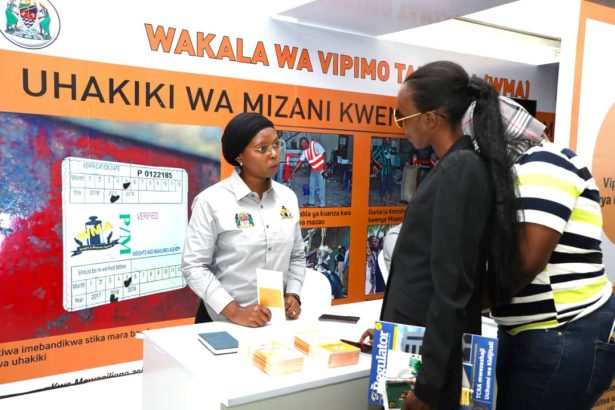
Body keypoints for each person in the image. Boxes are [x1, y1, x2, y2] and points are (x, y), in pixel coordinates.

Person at [361, 61, 520, 410]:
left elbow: (452, 287)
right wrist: (391, 330)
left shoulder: (461, 169)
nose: (401, 126)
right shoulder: (450, 167)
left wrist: (428, 386)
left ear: (430, 119)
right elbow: (420, 273)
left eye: (403, 117)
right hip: (412, 343)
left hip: (429, 364)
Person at [486, 134, 615, 407]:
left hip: (562, 329)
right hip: (533, 332)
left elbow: (526, 263)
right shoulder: (512, 173)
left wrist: (465, 305)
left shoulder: (545, 162)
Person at [182, 112, 305, 327]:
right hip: (222, 322)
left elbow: (297, 256)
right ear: (239, 156)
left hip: (274, 321)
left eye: (277, 144)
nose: (274, 154)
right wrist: (235, 311)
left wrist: (293, 294)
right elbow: (194, 267)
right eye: (262, 148)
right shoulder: (211, 201)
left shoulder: (288, 198)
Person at [290, 137, 327, 207]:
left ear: (306, 143)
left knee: (321, 187)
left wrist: (325, 166)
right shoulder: (305, 151)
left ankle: (322, 204)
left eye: (303, 145)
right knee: (311, 186)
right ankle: (311, 202)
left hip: (322, 170)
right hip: (313, 170)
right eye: (301, 145)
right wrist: (293, 171)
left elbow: (324, 153)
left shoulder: (315, 145)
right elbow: (300, 162)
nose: (302, 147)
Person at [371, 138, 395, 205]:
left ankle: (390, 197)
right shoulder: (380, 148)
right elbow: (373, 156)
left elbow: (388, 157)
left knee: (390, 184)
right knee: (382, 185)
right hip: (383, 171)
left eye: (389, 140)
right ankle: (382, 199)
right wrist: (379, 164)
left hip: (389, 170)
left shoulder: (389, 147)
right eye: (388, 140)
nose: (389, 141)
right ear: (384, 140)